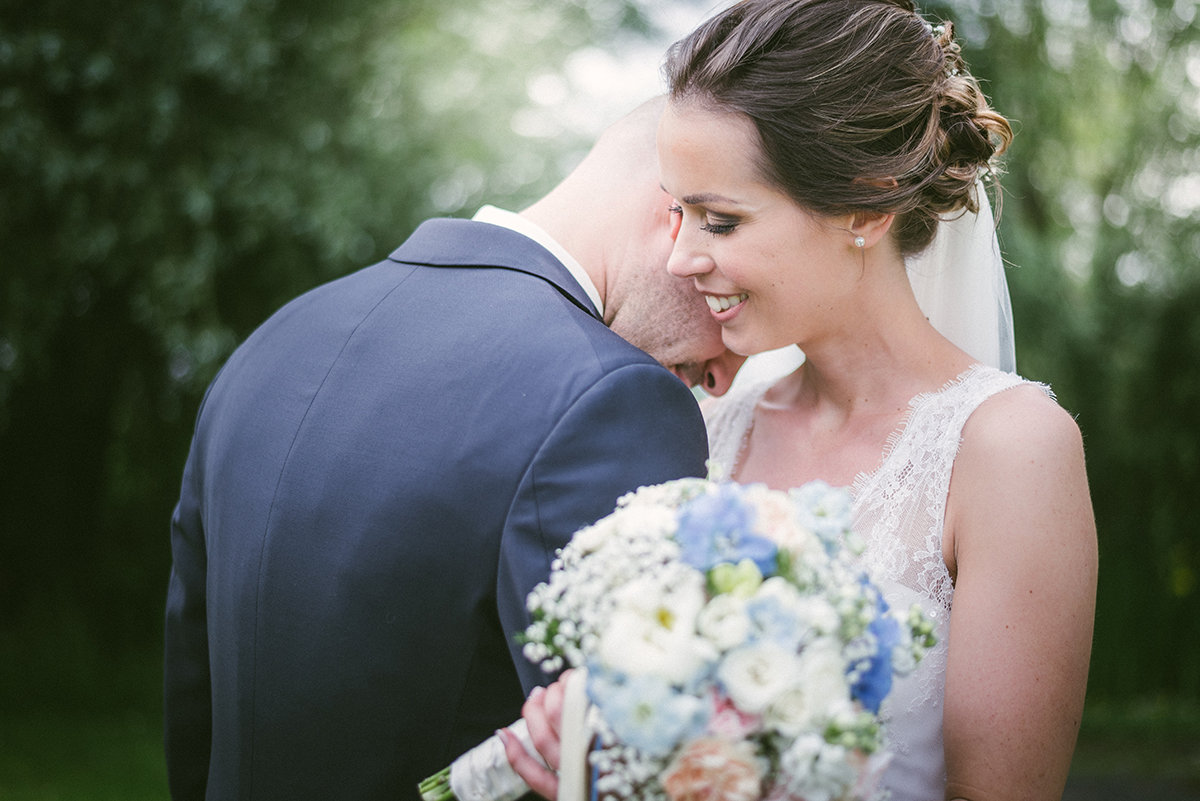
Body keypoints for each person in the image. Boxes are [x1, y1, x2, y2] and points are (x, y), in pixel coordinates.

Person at [504, 2, 1098, 800]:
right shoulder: (710, 423)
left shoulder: (1011, 449)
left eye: (720, 219)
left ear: (868, 203)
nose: (680, 258)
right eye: (677, 213)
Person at [162, 97, 745, 801]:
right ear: (677, 217)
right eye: (729, 306)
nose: (722, 372)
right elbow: (629, 764)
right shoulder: (614, 399)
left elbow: (195, 705)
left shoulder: (276, 339)